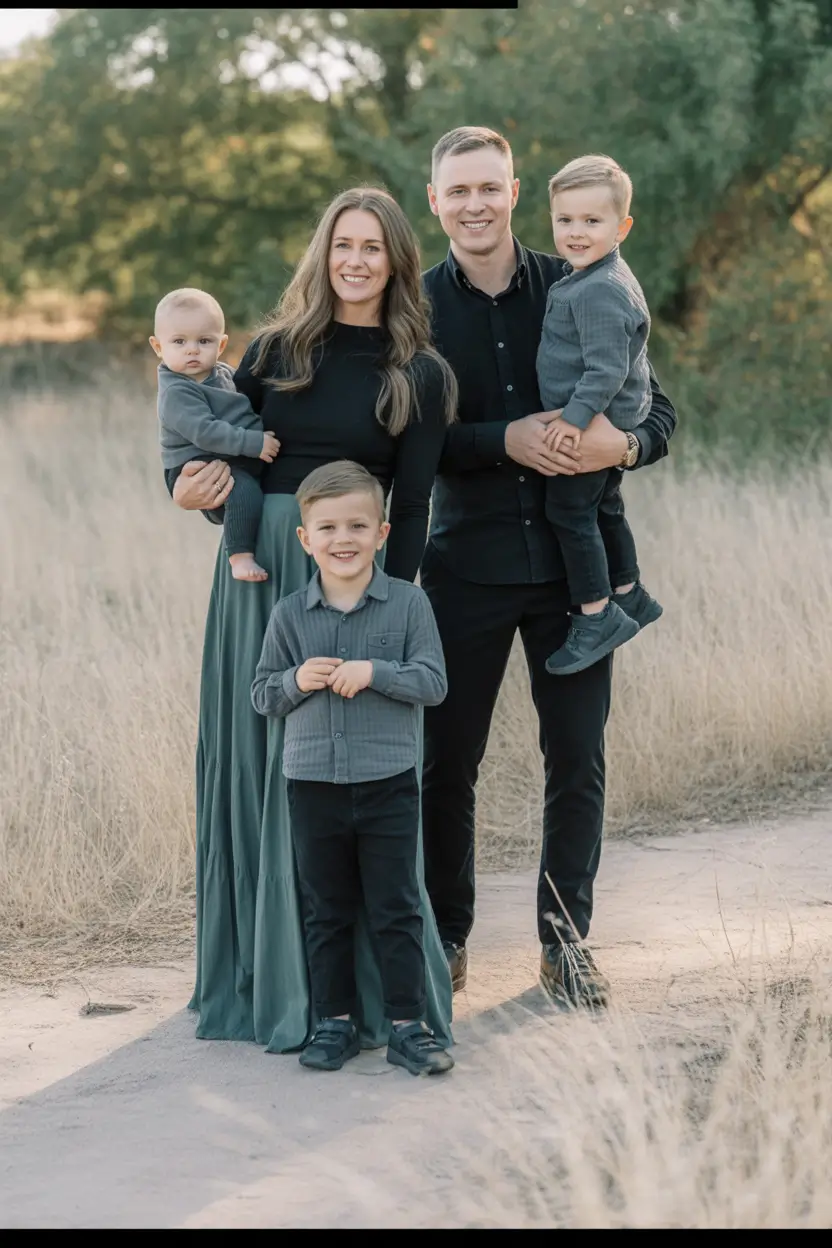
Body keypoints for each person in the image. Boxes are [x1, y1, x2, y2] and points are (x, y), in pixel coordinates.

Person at [168, 187, 458, 1053]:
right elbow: (206, 451)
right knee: (262, 762)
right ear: (322, 254)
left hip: (357, 577)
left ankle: (378, 1003)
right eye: (343, 245)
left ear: (398, 261)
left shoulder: (423, 374)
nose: (357, 261)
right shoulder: (274, 351)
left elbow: (412, 509)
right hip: (261, 579)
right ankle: (263, 981)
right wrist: (185, 495)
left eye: (374, 247)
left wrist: (387, 608)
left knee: (354, 781)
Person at [421, 126, 677, 1007]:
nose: (476, 204)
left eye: (489, 187)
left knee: (578, 760)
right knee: (446, 763)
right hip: (464, 571)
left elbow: (658, 406)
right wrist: (505, 440)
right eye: (459, 192)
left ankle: (564, 944)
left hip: (579, 581)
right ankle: (445, 939)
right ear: (436, 204)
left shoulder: (582, 274)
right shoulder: (414, 309)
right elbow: (403, 442)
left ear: (515, 190)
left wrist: (629, 445)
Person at [251, 461, 455, 1077]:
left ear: (382, 533)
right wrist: (294, 680)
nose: (344, 539)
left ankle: (407, 1028)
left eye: (358, 526)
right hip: (312, 784)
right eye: (329, 527)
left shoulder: (410, 605)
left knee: (395, 906)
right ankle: (333, 1023)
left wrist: (375, 673)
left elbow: (435, 683)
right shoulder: (289, 615)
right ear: (305, 538)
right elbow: (262, 695)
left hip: (388, 780)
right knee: (327, 907)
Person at [536, 154, 663, 676]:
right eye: (565, 220)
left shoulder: (598, 289)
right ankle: (630, 592)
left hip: (596, 424)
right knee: (605, 507)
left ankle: (596, 615)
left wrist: (575, 419)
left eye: (592, 221)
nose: (576, 232)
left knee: (568, 512)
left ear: (622, 227)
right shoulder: (595, 274)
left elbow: (607, 368)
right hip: (610, 420)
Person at [151, 287, 280, 583]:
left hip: (223, 453)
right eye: (179, 341)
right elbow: (206, 432)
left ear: (221, 345)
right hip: (194, 462)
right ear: (158, 346)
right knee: (243, 490)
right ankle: (239, 557)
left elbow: (239, 410)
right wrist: (253, 442)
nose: (192, 349)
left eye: (204, 341)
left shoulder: (221, 373)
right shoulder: (176, 391)